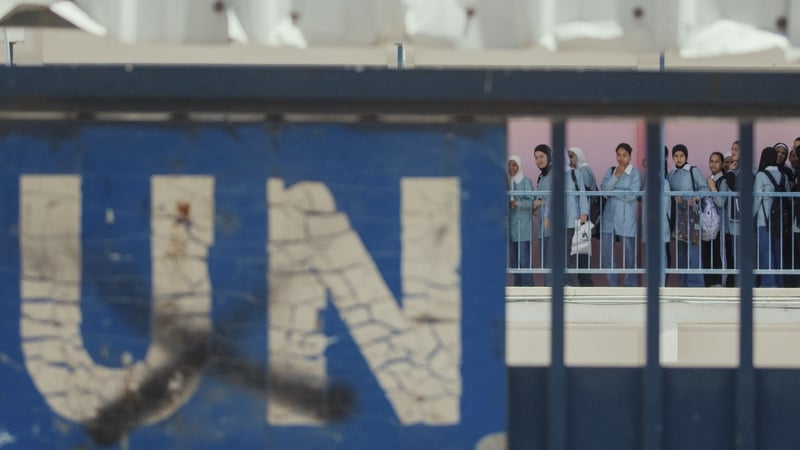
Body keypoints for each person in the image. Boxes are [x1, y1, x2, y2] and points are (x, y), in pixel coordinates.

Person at [534, 145, 589, 287]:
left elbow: (582, 194)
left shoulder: (575, 174)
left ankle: (572, 283)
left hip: (573, 218)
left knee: (572, 252)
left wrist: (584, 213)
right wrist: (546, 215)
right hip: (558, 220)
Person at [599, 143, 641, 287]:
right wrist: (615, 177)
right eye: (619, 155)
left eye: (624, 155)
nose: (621, 158)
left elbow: (633, 194)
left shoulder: (634, 173)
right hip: (609, 216)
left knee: (629, 253)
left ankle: (630, 284)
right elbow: (604, 190)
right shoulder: (611, 171)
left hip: (627, 217)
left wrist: (614, 193)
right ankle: (613, 284)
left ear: (630, 156)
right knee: (607, 253)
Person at [667, 144, 707, 287]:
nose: (678, 159)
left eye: (681, 156)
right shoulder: (671, 174)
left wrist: (695, 197)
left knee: (693, 251)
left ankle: (695, 284)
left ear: (686, 156)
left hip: (691, 215)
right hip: (678, 216)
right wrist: (674, 197)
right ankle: (684, 284)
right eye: (676, 156)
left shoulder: (693, 170)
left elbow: (704, 188)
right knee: (681, 252)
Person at [754, 146, 787, 287]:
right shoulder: (783, 176)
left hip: (764, 220)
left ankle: (768, 284)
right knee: (777, 251)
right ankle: (779, 283)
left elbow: (756, 200)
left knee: (765, 252)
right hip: (779, 221)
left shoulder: (761, 176)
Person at [568, 146, 597, 286]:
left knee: (581, 252)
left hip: (582, 219)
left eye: (571, 156)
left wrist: (583, 214)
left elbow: (583, 195)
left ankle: (585, 283)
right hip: (581, 218)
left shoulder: (583, 171)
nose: (569, 159)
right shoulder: (577, 171)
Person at [507, 155, 534, 286]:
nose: (512, 168)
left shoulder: (525, 182)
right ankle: (518, 287)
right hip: (511, 227)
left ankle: (528, 287)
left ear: (519, 166)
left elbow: (531, 202)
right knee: (514, 261)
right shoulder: (508, 183)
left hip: (523, 227)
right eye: (510, 165)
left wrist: (517, 203)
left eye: (514, 165)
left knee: (524, 260)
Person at [703, 152, 726, 287]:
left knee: (717, 253)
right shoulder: (709, 179)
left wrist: (712, 187)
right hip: (708, 224)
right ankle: (708, 282)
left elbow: (720, 202)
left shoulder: (722, 180)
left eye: (717, 161)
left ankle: (718, 281)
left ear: (722, 164)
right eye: (711, 161)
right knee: (707, 252)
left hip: (720, 224)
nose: (713, 164)